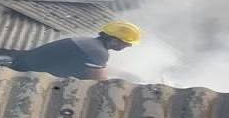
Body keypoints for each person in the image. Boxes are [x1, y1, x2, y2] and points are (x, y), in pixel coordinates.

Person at [11, 20, 142, 80]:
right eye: (126, 43)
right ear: (113, 39)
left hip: (20, 66)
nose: (128, 46)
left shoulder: (89, 43)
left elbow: (99, 68)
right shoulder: (98, 52)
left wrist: (123, 74)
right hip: (26, 77)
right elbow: (99, 81)